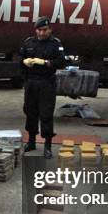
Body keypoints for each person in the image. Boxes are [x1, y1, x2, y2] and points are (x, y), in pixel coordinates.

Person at [19, 16, 67, 159]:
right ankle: (32, 141)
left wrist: (46, 62)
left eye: (44, 30)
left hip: (47, 83)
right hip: (31, 83)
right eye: (39, 30)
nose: (41, 33)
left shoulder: (55, 44)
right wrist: (24, 61)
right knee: (30, 112)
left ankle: (47, 145)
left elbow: (62, 62)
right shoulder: (29, 42)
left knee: (46, 114)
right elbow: (20, 58)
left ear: (50, 30)